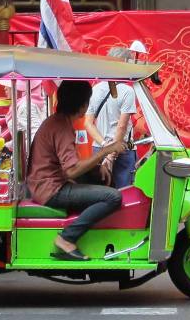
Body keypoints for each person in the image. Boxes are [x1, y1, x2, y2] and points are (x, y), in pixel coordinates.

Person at [27, 80, 126, 261]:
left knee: (102, 179)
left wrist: (97, 168)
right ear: (83, 106)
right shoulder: (62, 127)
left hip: (47, 183)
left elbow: (68, 167)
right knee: (113, 196)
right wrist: (105, 151)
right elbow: (71, 171)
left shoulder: (58, 122)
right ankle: (66, 238)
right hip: (51, 190)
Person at [85, 47, 138, 188]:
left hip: (98, 149)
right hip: (121, 150)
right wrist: (110, 154)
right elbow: (121, 127)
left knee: (101, 192)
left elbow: (88, 123)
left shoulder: (95, 89)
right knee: (123, 192)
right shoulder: (127, 91)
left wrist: (104, 145)